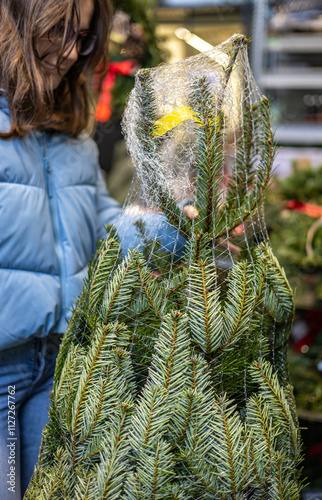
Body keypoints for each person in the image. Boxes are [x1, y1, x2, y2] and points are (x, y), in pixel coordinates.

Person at [0, 1, 184, 498]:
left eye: (80, 37)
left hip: (58, 361)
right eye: (57, 31)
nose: (68, 52)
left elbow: (103, 222)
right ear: (13, 22)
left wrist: (173, 225)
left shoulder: (69, 121)